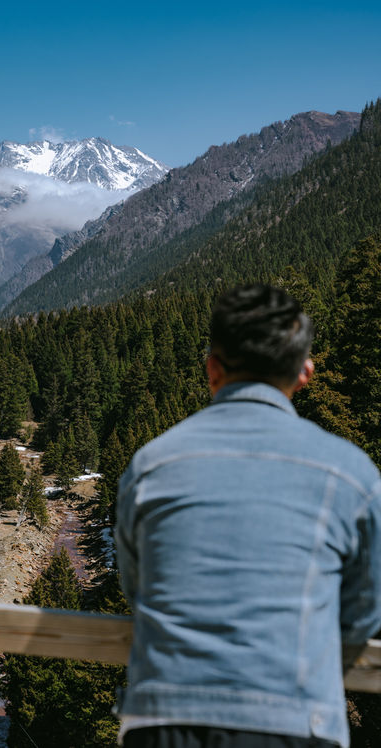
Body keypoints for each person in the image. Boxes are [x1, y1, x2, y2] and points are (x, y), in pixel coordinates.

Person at [115, 284, 381, 748]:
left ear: (212, 368)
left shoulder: (151, 464)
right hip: (297, 722)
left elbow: (138, 586)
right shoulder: (352, 475)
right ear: (305, 372)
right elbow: (363, 615)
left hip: (162, 719)